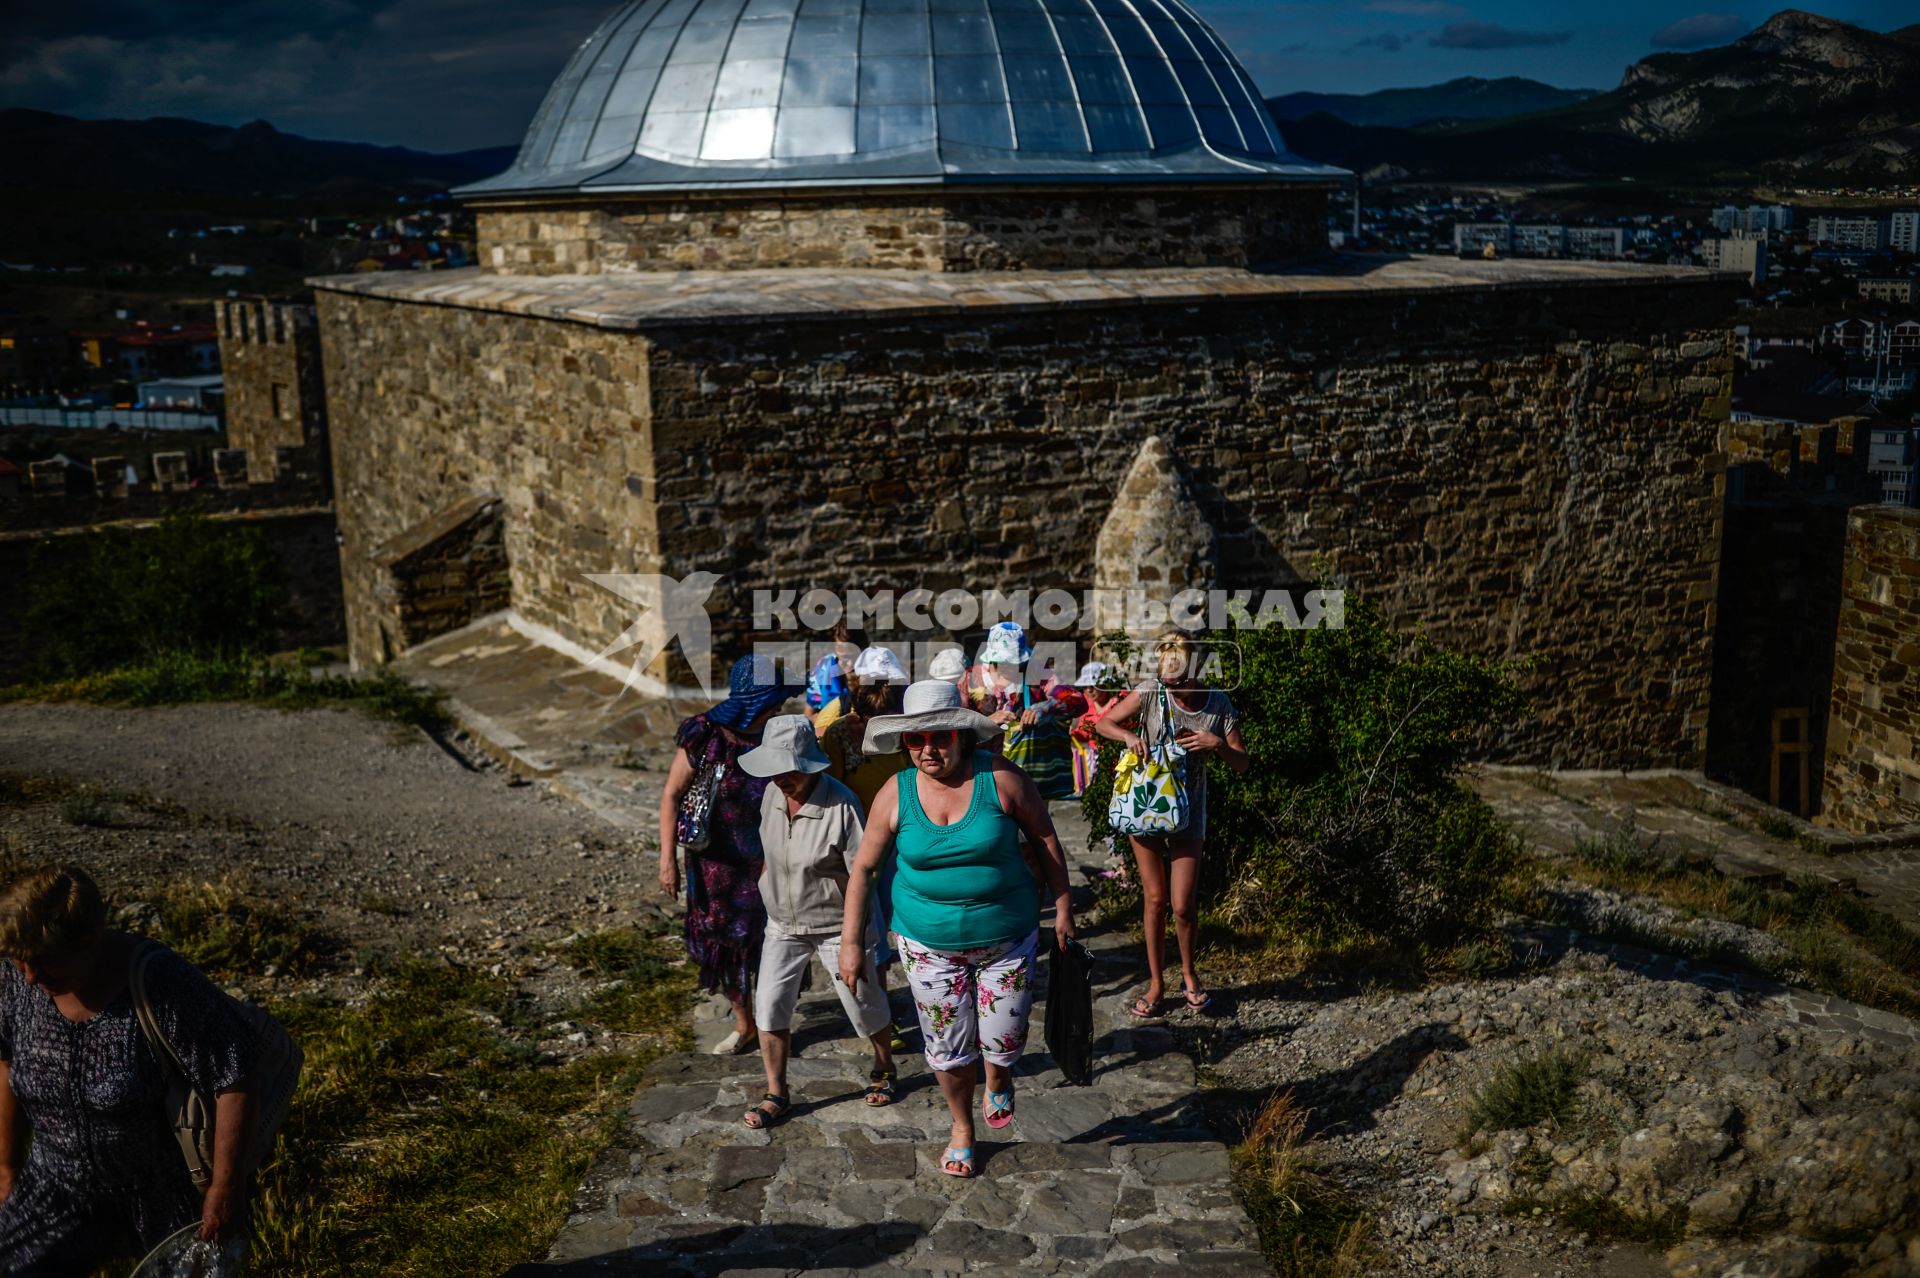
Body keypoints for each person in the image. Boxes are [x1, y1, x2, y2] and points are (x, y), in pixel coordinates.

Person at [838, 680, 1076, 1179]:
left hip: (1006, 938)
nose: (928, 749)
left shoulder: (1004, 780)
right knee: (947, 1046)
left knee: (1005, 1037)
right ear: (904, 743)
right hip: (928, 943)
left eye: (940, 737)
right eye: (915, 740)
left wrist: (1063, 909)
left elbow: (1046, 840)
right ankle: (962, 1129)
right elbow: (862, 870)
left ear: (962, 736)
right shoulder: (895, 792)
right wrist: (852, 944)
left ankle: (998, 1078)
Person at [0, 865, 260, 1274]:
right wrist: (7, 1167)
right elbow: (7, 1062)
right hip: (53, 1185)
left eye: (47, 965)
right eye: (20, 963)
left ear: (90, 943)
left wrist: (227, 1186)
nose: (31, 978)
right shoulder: (17, 982)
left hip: (159, 1194)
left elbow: (235, 1074)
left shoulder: (159, 981)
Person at [735, 716, 896, 1127]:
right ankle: (777, 1092)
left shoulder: (841, 805)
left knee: (863, 1003)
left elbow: (866, 872)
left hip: (838, 924)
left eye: (789, 770)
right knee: (769, 1006)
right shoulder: (770, 796)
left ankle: (883, 1065)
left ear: (809, 764)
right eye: (774, 769)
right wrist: (766, 885)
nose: (781, 779)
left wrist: (854, 941)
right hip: (783, 924)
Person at [1095, 633, 1249, 1017]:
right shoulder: (1150, 692)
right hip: (1145, 807)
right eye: (1167, 681)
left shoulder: (1218, 704)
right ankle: (1156, 984)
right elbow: (1103, 723)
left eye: (1179, 682)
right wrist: (1129, 734)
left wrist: (1219, 745)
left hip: (1189, 811)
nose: (1172, 689)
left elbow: (1244, 764)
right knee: (1155, 899)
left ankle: (1189, 974)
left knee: (1182, 905)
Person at [660, 653, 801, 1054]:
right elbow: (671, 794)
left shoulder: (779, 734)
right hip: (715, 866)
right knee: (725, 943)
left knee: (777, 942)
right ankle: (745, 1025)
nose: (780, 706)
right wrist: (666, 859)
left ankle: (774, 1021)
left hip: (772, 861)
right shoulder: (706, 736)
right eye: (774, 700)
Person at [819, 647, 913, 1048]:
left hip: (902, 837)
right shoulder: (839, 733)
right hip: (858, 842)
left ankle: (903, 993)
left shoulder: (908, 729)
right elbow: (833, 790)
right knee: (865, 924)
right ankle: (881, 1012)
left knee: (899, 921)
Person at [966, 622, 1084, 799]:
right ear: (992, 659)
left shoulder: (1036, 672)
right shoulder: (971, 680)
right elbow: (955, 723)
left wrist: (1044, 708)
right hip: (980, 774)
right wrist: (987, 722)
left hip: (1030, 775)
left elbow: (1077, 701)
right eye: (1005, 662)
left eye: (1016, 662)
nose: (1012, 667)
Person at [1068, 660, 1121, 797]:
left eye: (1094, 685)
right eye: (1085, 686)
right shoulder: (1087, 706)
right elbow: (1083, 733)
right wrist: (1071, 734)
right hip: (1094, 761)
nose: (1089, 690)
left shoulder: (1119, 704)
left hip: (1117, 758)